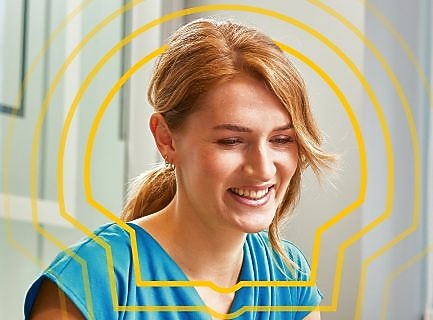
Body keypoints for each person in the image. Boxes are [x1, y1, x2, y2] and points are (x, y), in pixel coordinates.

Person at [24, 18, 334, 320]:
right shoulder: (92, 281)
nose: (263, 169)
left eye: (281, 139)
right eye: (231, 141)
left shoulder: (289, 276)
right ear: (166, 139)